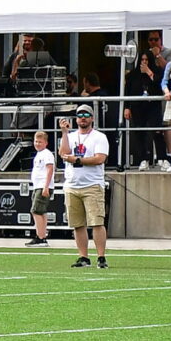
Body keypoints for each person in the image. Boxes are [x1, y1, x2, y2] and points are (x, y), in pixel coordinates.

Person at [62, 105, 112, 269]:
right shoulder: (70, 136)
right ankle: (83, 257)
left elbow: (99, 159)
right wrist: (63, 133)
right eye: (80, 115)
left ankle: (101, 257)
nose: (83, 118)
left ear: (92, 118)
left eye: (86, 115)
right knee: (78, 224)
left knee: (97, 222)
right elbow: (63, 153)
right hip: (72, 185)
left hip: (92, 185)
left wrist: (77, 160)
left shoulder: (99, 137)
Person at [25, 130, 59, 246]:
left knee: (36, 211)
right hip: (37, 186)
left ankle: (39, 237)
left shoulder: (47, 154)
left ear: (46, 143)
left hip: (43, 186)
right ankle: (42, 235)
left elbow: (50, 169)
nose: (37, 144)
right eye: (35, 141)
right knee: (41, 211)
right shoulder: (38, 154)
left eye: (40, 142)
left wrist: (46, 187)